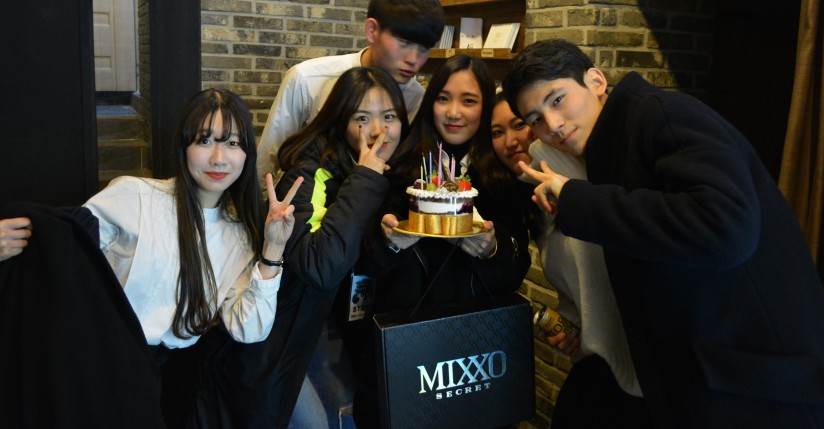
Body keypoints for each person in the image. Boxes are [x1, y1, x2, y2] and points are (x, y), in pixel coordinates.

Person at [502, 39, 824, 428]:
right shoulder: (607, 149)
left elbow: (725, 227)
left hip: (763, 386)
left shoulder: (660, 114)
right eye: (536, 119)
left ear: (595, 80)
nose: (553, 124)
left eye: (558, 100)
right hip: (715, 381)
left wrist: (577, 199)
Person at [0, 88, 302, 427]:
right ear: (183, 147)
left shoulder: (240, 237)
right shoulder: (136, 197)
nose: (219, 158)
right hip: (106, 366)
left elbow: (249, 328)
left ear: (247, 154)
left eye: (233, 143)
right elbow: (62, 245)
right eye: (204, 141)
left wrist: (273, 248)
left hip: (175, 382)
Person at [188, 67, 409, 429]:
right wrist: (366, 178)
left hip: (316, 332)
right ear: (340, 121)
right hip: (268, 339)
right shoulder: (310, 174)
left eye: (389, 117)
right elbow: (321, 265)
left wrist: (389, 243)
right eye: (362, 118)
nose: (378, 131)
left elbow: (356, 256)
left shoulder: (376, 173)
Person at [348, 55, 532, 428]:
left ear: (485, 107)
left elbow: (516, 270)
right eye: (443, 98)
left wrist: (492, 250)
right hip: (403, 346)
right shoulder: (397, 167)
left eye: (469, 100)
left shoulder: (500, 178)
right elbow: (361, 265)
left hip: (474, 353)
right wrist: (388, 242)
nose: (453, 112)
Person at [492, 88, 650, 427]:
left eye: (521, 124)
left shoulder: (581, 177)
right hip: (598, 366)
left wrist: (542, 149)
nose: (510, 141)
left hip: (647, 371)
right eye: (496, 132)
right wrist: (570, 327)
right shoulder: (534, 205)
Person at [256, 0, 445, 191]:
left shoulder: (418, 98)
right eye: (404, 43)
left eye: (424, 48)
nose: (414, 59)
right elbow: (266, 166)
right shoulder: (308, 79)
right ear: (372, 31)